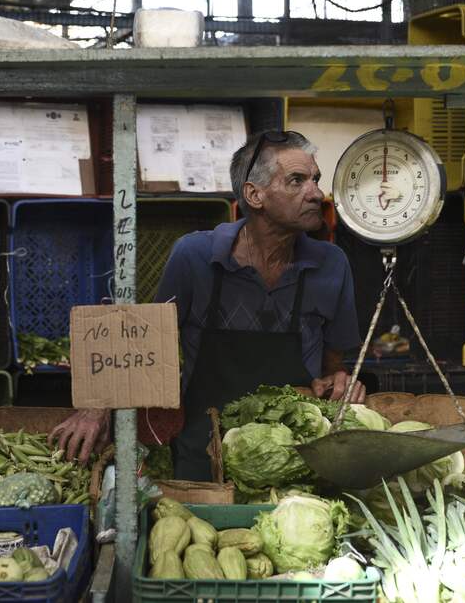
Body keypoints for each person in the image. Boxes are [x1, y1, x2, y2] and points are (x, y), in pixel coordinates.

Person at [50, 130, 365, 480]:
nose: (316, 193)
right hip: (201, 455)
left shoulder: (332, 264)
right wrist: (97, 408)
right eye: (297, 180)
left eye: (315, 179)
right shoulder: (195, 257)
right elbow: (145, 347)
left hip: (292, 457)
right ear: (254, 194)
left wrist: (338, 383)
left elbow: (331, 369)